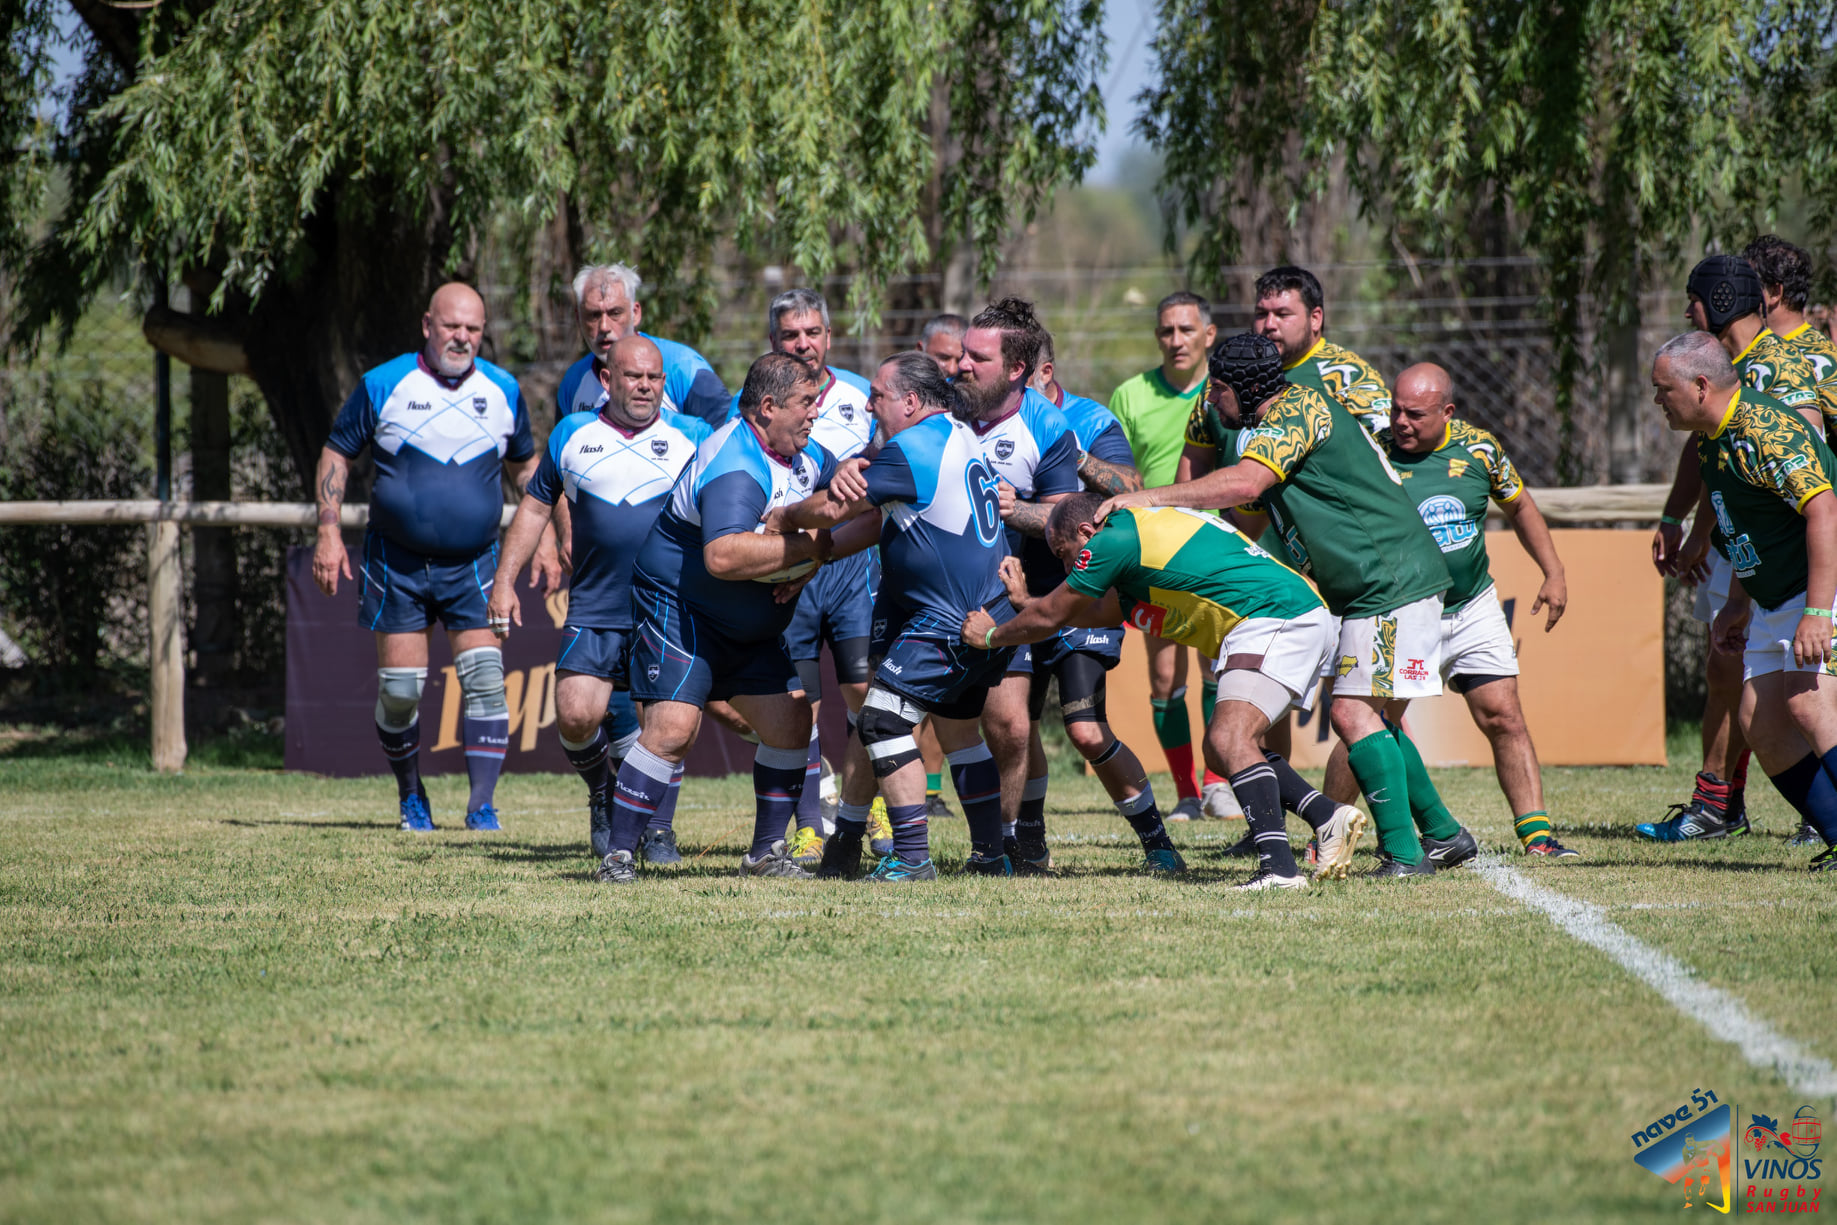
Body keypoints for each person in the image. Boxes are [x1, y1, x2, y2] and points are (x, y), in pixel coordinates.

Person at [1102, 333, 1468, 878]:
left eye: (1216, 390)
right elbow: (1244, 513)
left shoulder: (1299, 406)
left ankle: (1404, 855)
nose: (1209, 403)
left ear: (1242, 388)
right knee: (1371, 716)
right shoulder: (1270, 425)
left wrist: (1148, 497)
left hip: (1389, 576)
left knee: (1352, 713)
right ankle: (1443, 834)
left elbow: (1244, 483)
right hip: (1367, 585)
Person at [968, 493, 1370, 887]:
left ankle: (1279, 869)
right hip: (1282, 614)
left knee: (1229, 738)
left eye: (1063, 552)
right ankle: (1325, 816)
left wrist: (990, 637)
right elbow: (1085, 611)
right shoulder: (1137, 552)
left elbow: (1057, 612)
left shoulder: (1114, 539)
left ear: (1086, 531)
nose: (1065, 565)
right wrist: (1026, 602)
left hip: (1271, 618)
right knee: (1221, 747)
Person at [595, 353, 868, 883]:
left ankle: (766, 853)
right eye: (806, 403)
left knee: (791, 722)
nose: (816, 413)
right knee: (673, 730)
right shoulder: (736, 462)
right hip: (682, 608)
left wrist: (815, 558)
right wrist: (805, 548)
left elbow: (859, 513)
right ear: (767, 407)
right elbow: (722, 557)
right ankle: (618, 856)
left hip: (747, 619)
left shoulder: (809, 455)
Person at [312, 282, 558, 833]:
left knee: (487, 679)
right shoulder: (384, 383)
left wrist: (544, 538)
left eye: (473, 329)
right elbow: (337, 452)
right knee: (399, 693)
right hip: (395, 562)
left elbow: (527, 469)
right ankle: (411, 798)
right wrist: (328, 530)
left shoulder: (503, 389)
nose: (463, 338)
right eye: (453, 327)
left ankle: (482, 807)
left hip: (473, 562)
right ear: (428, 325)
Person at [484, 334, 709, 864]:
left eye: (655, 377)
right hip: (596, 605)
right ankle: (602, 794)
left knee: (666, 725)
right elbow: (536, 510)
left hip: (670, 608)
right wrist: (503, 579)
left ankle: (657, 831)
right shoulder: (572, 434)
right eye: (634, 376)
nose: (646, 387)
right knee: (577, 716)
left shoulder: (696, 437)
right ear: (608, 380)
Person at [813, 351, 1021, 880]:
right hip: (980, 607)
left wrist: (781, 519)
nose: (867, 403)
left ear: (909, 401)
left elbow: (838, 508)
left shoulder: (909, 450)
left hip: (947, 616)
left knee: (881, 719)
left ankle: (910, 858)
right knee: (956, 731)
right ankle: (988, 854)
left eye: (878, 395)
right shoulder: (957, 433)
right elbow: (886, 519)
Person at [1644, 331, 1837, 867]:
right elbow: (1741, 524)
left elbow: (1824, 510)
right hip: (1773, 595)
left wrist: (1819, 611)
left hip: (1820, 584)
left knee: (1808, 700)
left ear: (1701, 386)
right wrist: (1737, 601)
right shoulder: (1713, 438)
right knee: (1762, 723)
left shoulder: (1765, 429)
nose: (1658, 400)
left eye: (1664, 389)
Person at [1384, 362, 1580, 859]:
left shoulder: (1479, 448)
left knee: (1504, 716)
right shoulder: (1373, 452)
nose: (1401, 422)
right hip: (1403, 612)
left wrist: (1553, 570)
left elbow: (1520, 507)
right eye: (1396, 410)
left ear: (1447, 412)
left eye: (1416, 414)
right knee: (1369, 724)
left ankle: (1538, 837)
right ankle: (1328, 832)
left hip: (1471, 605)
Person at [742, 287, 891, 865]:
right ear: (773, 343)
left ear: (829, 336)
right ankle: (806, 826)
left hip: (851, 569)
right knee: (799, 700)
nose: (802, 344)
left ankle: (867, 802)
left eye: (811, 333)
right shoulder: (754, 402)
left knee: (865, 691)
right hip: (787, 570)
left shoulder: (865, 397)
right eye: (789, 335)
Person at [955, 298, 1083, 872]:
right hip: (924, 590)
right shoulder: (938, 407)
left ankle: (1003, 840)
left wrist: (1016, 508)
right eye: (962, 352)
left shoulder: (1046, 425)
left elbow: (1062, 525)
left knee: (1010, 724)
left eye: (976, 357)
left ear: (1014, 370)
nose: (961, 364)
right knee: (885, 718)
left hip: (997, 594)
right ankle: (862, 835)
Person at [1106, 291, 1218, 820]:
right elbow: (1118, 472)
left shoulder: (1227, 391)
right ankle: (1186, 793)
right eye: (1166, 332)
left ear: (1208, 335)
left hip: (1219, 548)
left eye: (1185, 330)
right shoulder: (1130, 394)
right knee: (1163, 676)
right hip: (1156, 551)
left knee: (1221, 665)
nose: (1175, 341)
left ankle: (1220, 781)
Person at [911, 311, 971, 809]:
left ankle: (931, 792)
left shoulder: (965, 414)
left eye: (959, 358)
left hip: (957, 577)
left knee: (942, 693)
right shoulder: (898, 414)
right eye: (941, 356)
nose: (950, 367)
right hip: (903, 568)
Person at [555, 263, 731, 426]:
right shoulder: (573, 382)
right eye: (593, 315)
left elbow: (728, 439)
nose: (604, 327)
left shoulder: (683, 367)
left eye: (615, 313)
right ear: (578, 318)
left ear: (635, 313)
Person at [1745, 235, 1837, 443]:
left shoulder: (1821, 359)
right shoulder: (1751, 352)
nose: (1739, 293)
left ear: (1775, 292)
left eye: (1747, 285)